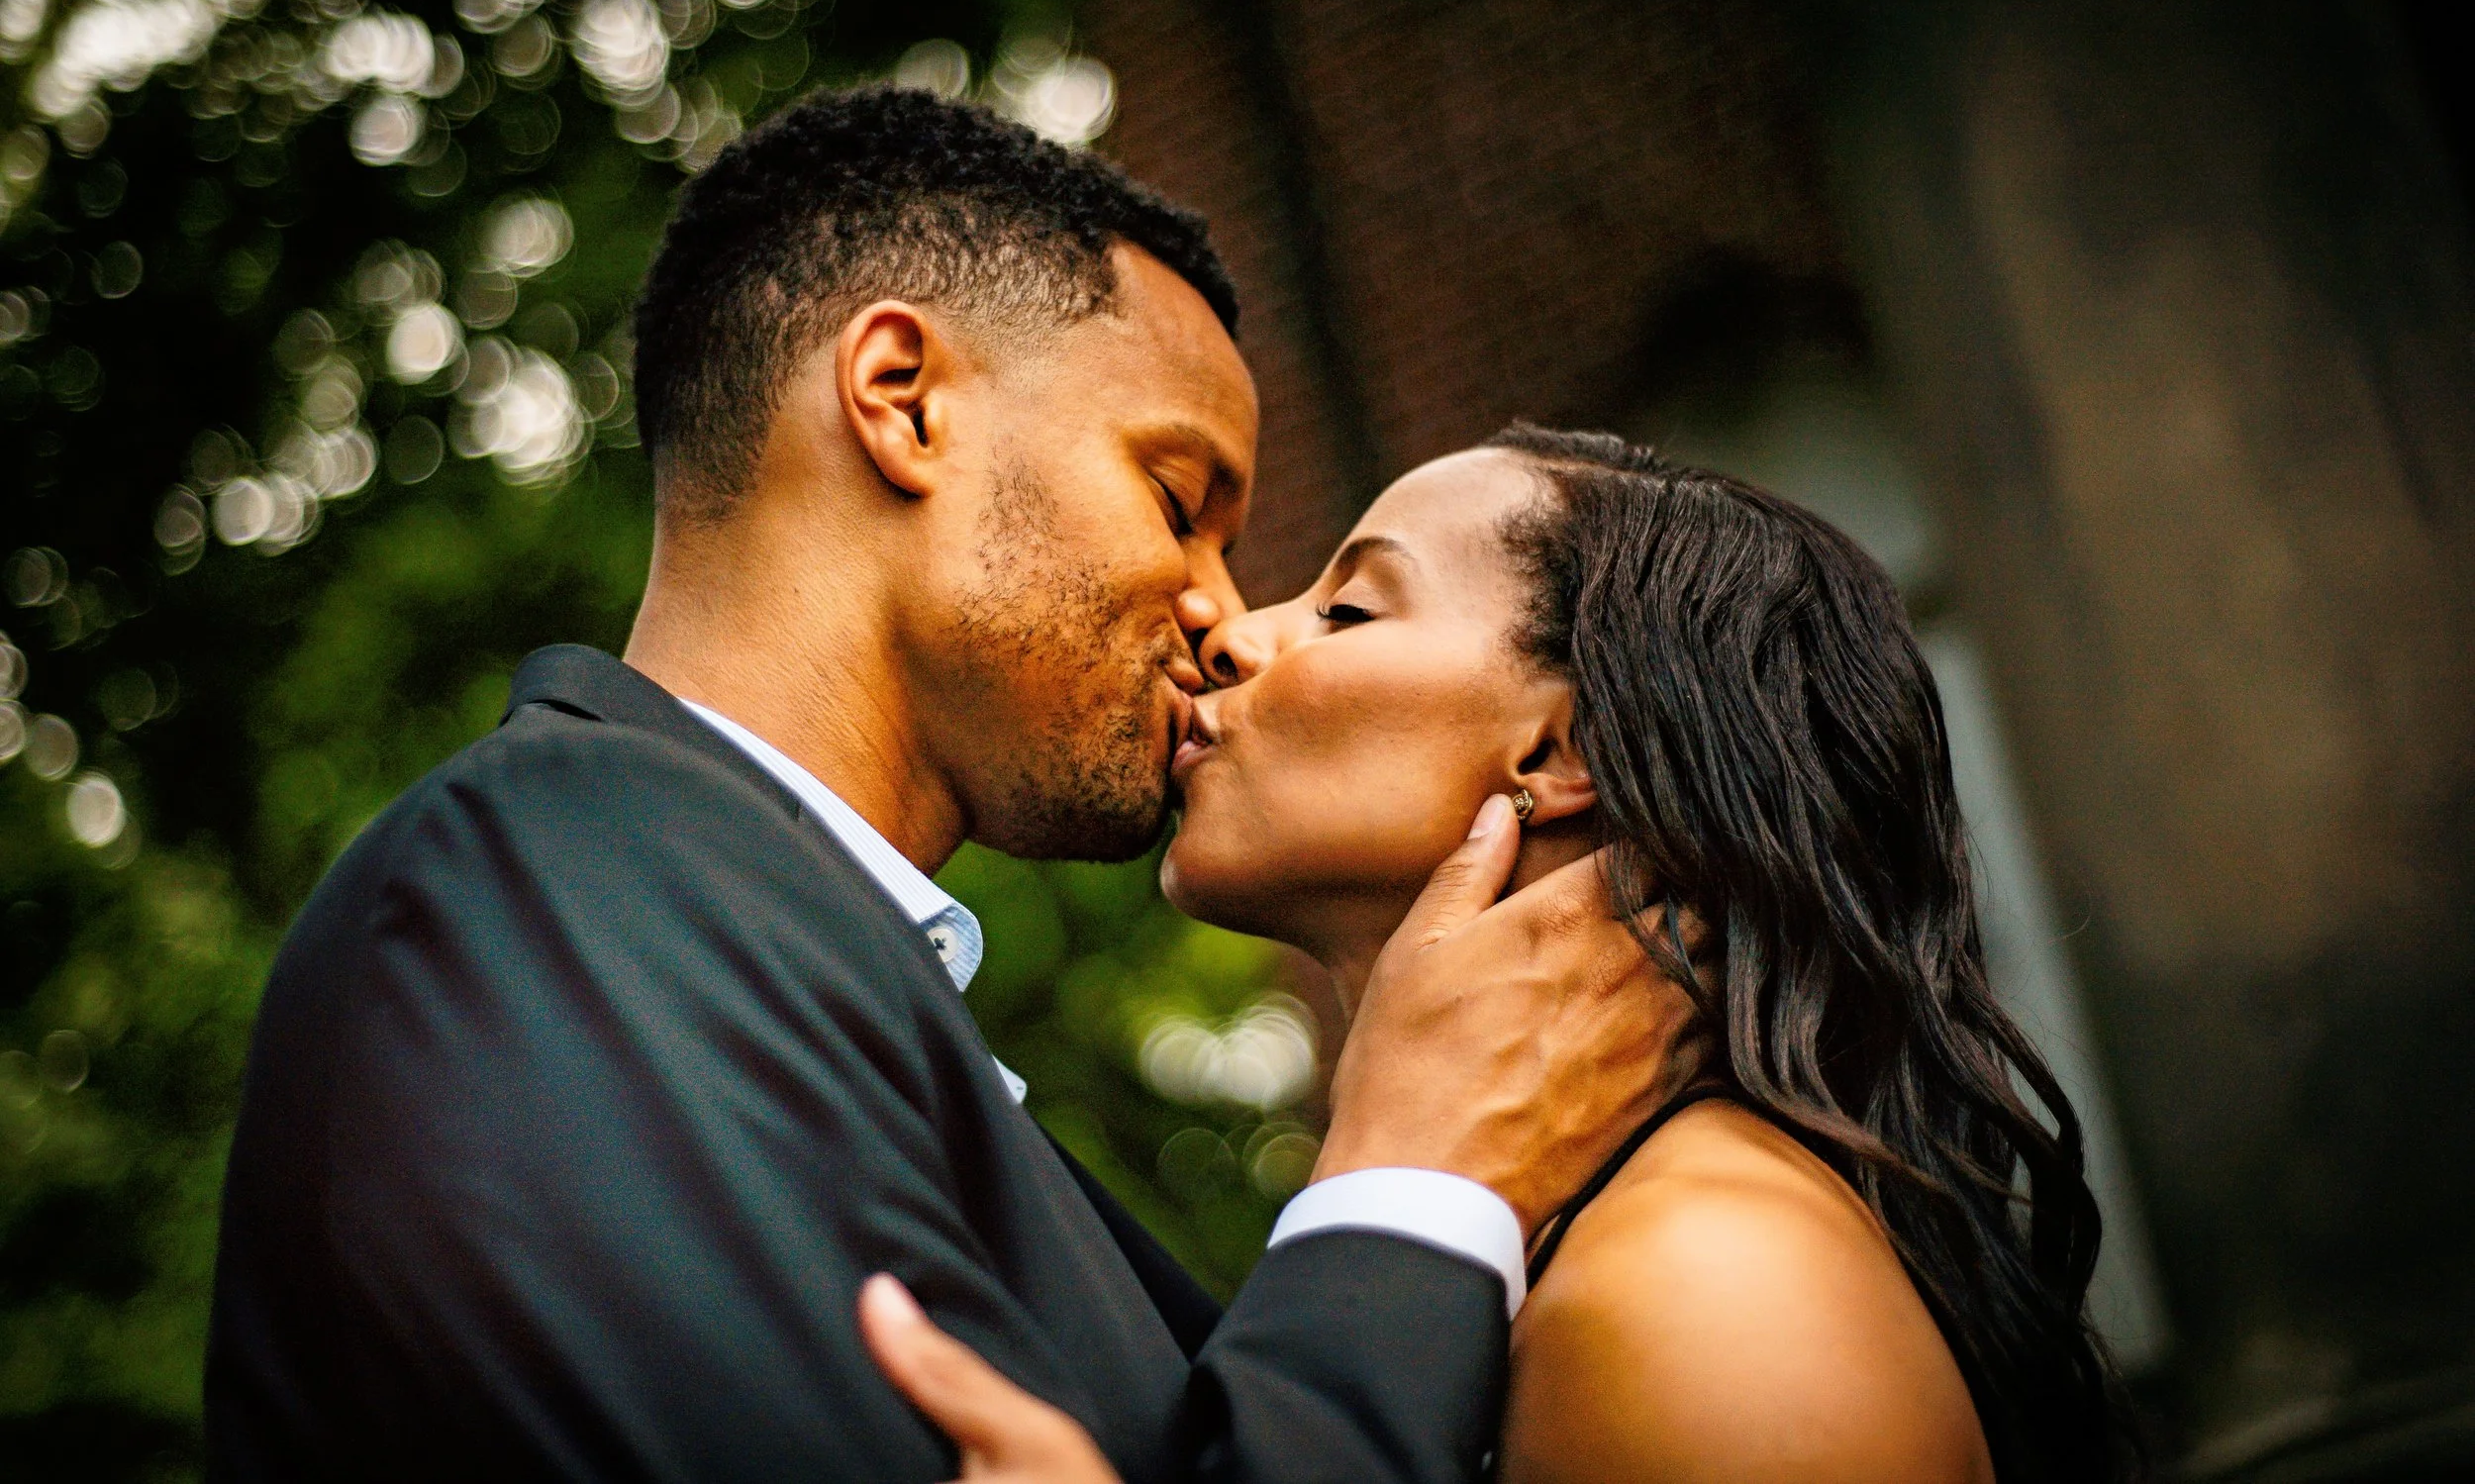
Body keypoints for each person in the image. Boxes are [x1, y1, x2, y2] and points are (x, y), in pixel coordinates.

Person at [202, 92, 1678, 1482]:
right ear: (901, 401)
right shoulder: (527, 895)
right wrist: (1414, 1188)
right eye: (1179, 501)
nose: (1223, 614)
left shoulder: (784, 978)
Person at [874, 429, 2140, 1483]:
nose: (1233, 631)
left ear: (1558, 752)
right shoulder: (1548, 1260)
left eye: (1347, 606)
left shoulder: (1702, 1282)